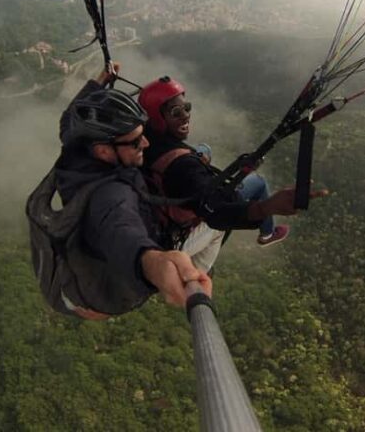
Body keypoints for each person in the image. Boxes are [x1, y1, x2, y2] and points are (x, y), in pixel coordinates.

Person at [28, 65, 211, 321]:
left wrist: (99, 82)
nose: (145, 143)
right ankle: (186, 280)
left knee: (200, 152)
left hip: (74, 276)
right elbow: (121, 230)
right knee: (215, 227)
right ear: (104, 151)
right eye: (136, 141)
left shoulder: (78, 147)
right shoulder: (112, 195)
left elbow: (68, 119)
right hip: (99, 296)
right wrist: (155, 263)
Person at [138, 76, 325, 271]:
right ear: (158, 118)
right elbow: (217, 212)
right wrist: (266, 207)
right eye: (175, 112)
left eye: (187, 107)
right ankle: (263, 236)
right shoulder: (185, 168)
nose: (185, 116)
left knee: (204, 149)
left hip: (163, 190)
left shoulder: (143, 133)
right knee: (258, 184)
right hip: (176, 235)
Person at [195, 143, 289, 246]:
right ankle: (267, 234)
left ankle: (267, 232)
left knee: (258, 183)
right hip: (217, 198)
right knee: (259, 183)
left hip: (218, 191)